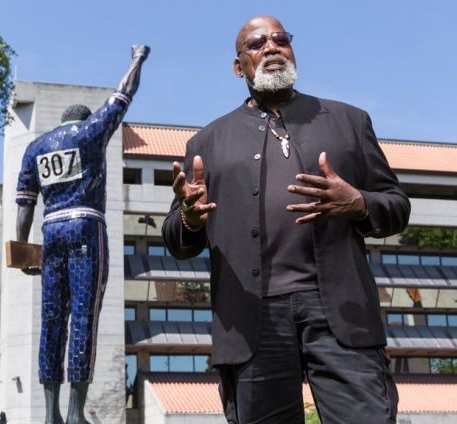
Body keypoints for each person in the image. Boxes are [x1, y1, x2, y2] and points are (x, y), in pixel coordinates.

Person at [162, 15, 410, 424]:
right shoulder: (206, 142)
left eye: (281, 39)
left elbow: (397, 207)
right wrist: (189, 217)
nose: (272, 47)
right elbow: (177, 240)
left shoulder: (349, 121)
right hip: (251, 322)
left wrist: (359, 203)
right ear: (238, 66)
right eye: (257, 43)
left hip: (341, 313)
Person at [15, 45, 150, 424]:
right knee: (84, 317)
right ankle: (75, 413)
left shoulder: (36, 147)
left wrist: (24, 250)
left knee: (51, 319)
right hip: (86, 226)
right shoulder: (91, 132)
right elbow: (123, 94)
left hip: (50, 228)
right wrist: (138, 59)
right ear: (83, 120)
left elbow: (24, 202)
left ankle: (49, 413)